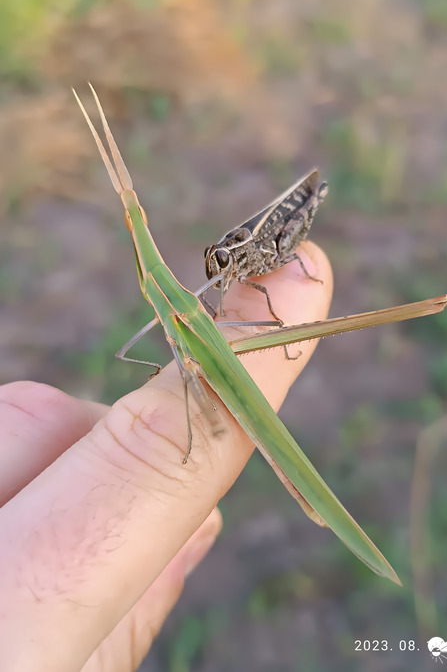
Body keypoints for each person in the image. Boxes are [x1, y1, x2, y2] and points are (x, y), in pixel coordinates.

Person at [0, 243, 332, 672]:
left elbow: (125, 353)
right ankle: (305, 493)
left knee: (197, 420)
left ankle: (304, 490)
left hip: (212, 349)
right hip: (201, 353)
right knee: (192, 417)